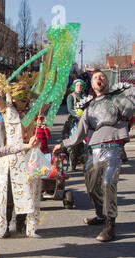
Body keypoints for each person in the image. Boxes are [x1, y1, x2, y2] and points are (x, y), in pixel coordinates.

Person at [53, 71, 134, 242]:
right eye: (96, 77)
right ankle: (101, 215)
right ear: (92, 84)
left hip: (113, 148)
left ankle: (110, 226)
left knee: (108, 183)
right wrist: (62, 144)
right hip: (94, 151)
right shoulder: (89, 107)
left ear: (108, 81)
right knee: (91, 186)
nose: (99, 79)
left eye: (102, 76)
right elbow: (79, 134)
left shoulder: (121, 97)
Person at [0, 67, 44, 238]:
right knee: (8, 191)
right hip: (10, 157)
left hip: (28, 157)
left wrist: (54, 84)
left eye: (26, 98)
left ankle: (24, 224)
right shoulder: (6, 110)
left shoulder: (33, 111)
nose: (23, 101)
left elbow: (50, 100)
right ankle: (5, 225)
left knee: (28, 191)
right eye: (20, 98)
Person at [63, 79, 87, 171]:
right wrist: (76, 115)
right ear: (74, 86)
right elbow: (70, 109)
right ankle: (73, 160)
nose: (79, 87)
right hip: (74, 120)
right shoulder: (71, 96)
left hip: (84, 119)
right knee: (74, 139)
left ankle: (84, 160)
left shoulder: (85, 96)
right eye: (77, 85)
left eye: (81, 85)